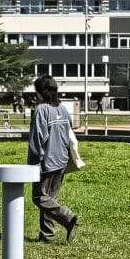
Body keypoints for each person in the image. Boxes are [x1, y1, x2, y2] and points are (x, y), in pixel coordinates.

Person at [28, 73, 81, 244]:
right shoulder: (62, 109)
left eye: (36, 91)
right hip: (62, 160)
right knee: (51, 198)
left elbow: (38, 139)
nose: (35, 95)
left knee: (39, 197)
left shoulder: (41, 110)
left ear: (42, 92)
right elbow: (68, 134)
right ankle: (47, 236)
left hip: (46, 162)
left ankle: (68, 217)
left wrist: (33, 163)